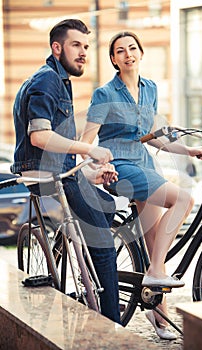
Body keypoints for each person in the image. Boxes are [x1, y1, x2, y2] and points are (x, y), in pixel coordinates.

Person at [80, 31, 202, 339]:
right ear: (113, 59)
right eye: (120, 51)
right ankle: (154, 274)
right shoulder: (104, 94)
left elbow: (155, 137)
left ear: (140, 53)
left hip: (145, 163)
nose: (128, 54)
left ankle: (158, 315)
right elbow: (88, 139)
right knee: (184, 200)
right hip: (120, 164)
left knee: (155, 247)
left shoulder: (149, 88)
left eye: (132, 48)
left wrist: (189, 150)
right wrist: (95, 165)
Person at [10, 19, 121, 324]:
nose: (83, 52)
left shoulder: (58, 80)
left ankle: (78, 252)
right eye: (76, 45)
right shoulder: (47, 81)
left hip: (55, 173)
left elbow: (51, 153)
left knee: (108, 206)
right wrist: (88, 149)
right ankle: (112, 324)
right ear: (56, 48)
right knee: (103, 244)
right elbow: (39, 136)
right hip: (44, 177)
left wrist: (84, 172)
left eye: (86, 46)